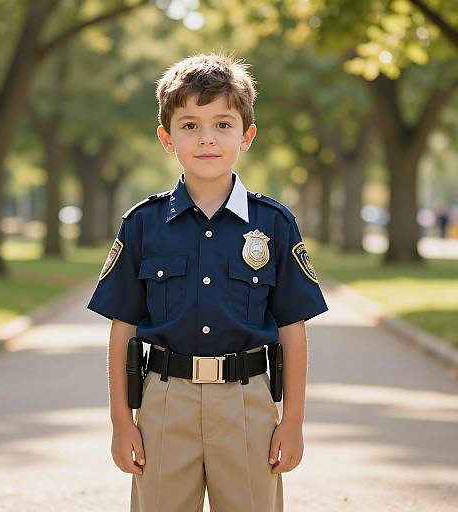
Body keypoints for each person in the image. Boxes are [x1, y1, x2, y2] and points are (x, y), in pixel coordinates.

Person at [86, 51, 329, 512]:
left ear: (247, 135)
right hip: (163, 403)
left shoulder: (274, 224)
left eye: (223, 124)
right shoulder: (143, 223)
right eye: (190, 125)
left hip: (248, 401)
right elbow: (122, 328)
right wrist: (122, 420)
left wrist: (293, 420)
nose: (207, 139)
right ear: (166, 137)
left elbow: (293, 327)